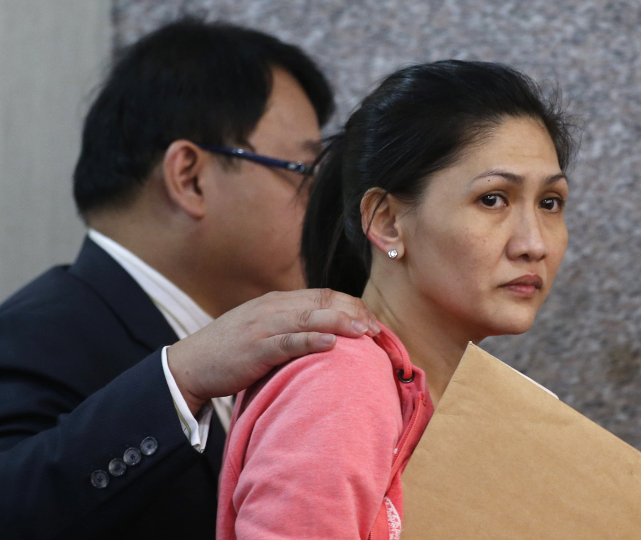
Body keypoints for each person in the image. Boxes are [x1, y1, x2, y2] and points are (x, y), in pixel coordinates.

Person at [0, 19, 380, 540]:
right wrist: (181, 378)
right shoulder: (36, 333)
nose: (323, 210)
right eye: (304, 172)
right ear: (190, 177)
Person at [217, 60, 576, 539]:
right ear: (386, 221)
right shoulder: (341, 382)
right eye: (493, 199)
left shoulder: (454, 395)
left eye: (550, 203)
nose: (534, 243)